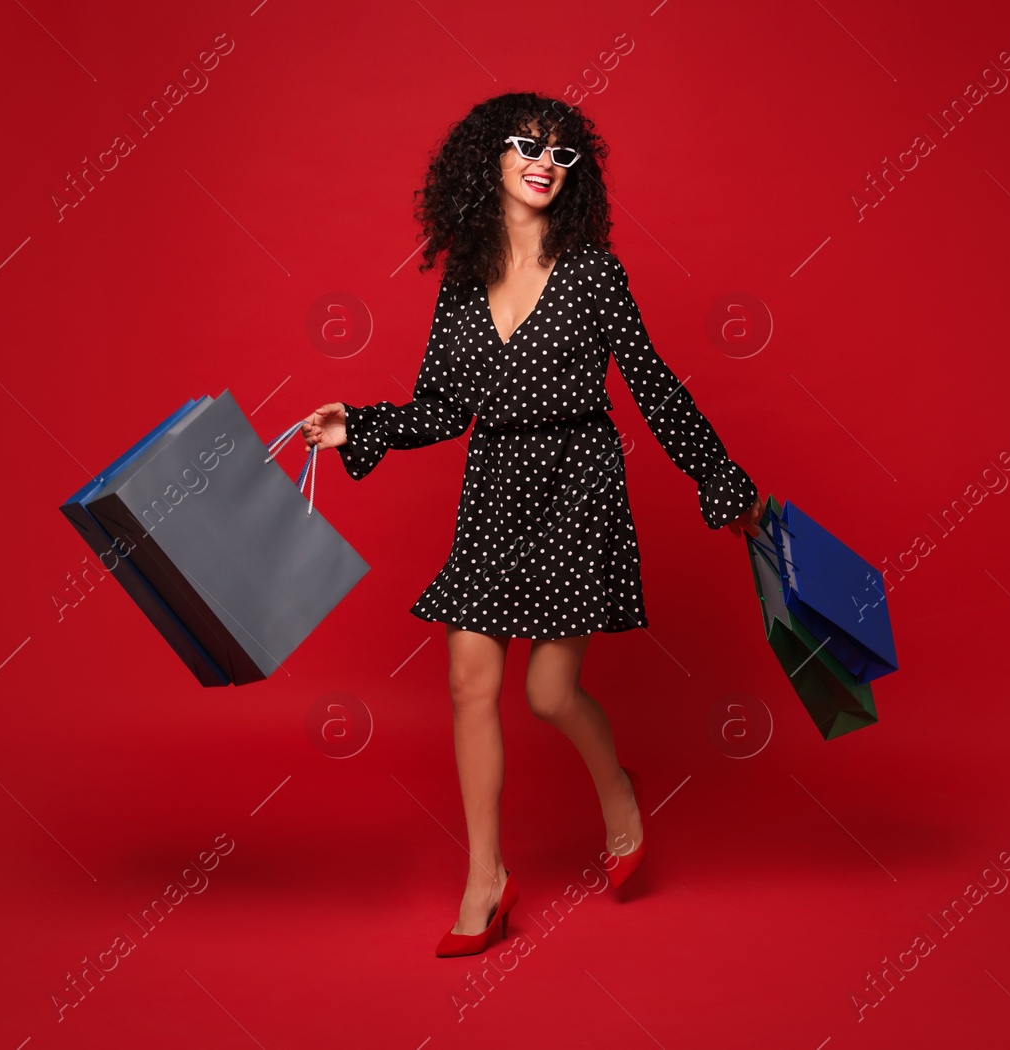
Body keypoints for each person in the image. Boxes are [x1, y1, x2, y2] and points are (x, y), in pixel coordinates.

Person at [301, 92, 764, 957]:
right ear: (492, 161)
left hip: (577, 487)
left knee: (548, 694)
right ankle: (486, 877)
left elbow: (655, 387)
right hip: (494, 489)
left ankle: (619, 789)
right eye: (527, 146)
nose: (545, 162)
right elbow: (442, 407)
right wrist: (355, 426)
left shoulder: (594, 272)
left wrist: (720, 480)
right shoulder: (462, 279)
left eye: (563, 153)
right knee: (470, 687)